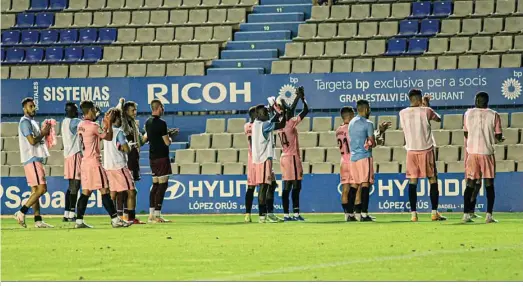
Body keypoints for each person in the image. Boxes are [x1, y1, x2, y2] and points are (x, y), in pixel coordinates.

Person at [75, 102, 129, 228]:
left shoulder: (81, 125)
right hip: (94, 163)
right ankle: (115, 220)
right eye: (94, 109)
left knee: (86, 192)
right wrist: (109, 124)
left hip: (84, 163)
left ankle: (79, 221)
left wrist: (104, 125)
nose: (95, 111)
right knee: (105, 190)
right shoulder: (93, 126)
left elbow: (95, 137)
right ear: (89, 110)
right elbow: (109, 137)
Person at [399, 89, 446, 222]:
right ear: (420, 99)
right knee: (432, 179)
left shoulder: (402, 113)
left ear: (410, 99)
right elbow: (438, 119)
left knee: (413, 182)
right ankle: (434, 213)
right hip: (426, 149)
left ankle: (413, 215)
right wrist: (427, 104)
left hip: (411, 150)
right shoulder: (426, 110)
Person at [462, 92, 503, 223]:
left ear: (476, 101)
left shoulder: (468, 114)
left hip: (472, 152)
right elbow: (498, 135)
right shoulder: (494, 114)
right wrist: (499, 139)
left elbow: (466, 133)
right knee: (489, 184)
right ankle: (489, 216)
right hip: (487, 152)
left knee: (470, 183)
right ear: (487, 102)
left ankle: (466, 215)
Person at [13, 97, 54, 228]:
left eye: (34, 106)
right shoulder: (25, 122)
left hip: (33, 159)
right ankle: (21, 212)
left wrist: (45, 134)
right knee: (42, 189)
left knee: (35, 190)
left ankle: (37, 220)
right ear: (24, 109)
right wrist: (43, 133)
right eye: (30, 106)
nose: (33, 108)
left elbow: (38, 139)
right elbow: (32, 141)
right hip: (32, 158)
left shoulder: (32, 121)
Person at [277, 87, 308, 221]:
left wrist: (297, 98)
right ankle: (295, 213)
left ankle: (286, 214)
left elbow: (290, 110)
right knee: (296, 185)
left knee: (287, 186)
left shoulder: (278, 125)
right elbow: (305, 110)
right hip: (292, 158)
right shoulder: (290, 124)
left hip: (284, 157)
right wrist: (301, 98)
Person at [103, 108, 140, 224]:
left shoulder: (105, 131)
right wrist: (129, 145)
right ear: (117, 119)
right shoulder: (119, 132)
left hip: (108, 166)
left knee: (113, 193)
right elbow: (126, 149)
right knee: (131, 191)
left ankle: (115, 218)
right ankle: (131, 218)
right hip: (119, 165)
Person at [145, 99, 178, 223]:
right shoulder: (162, 123)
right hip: (162, 157)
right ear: (159, 108)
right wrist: (170, 137)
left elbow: (152, 137)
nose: (163, 110)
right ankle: (157, 215)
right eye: (162, 108)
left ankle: (151, 214)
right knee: (163, 185)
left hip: (152, 157)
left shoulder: (148, 122)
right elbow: (166, 142)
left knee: (155, 185)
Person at [252, 104, 286, 223]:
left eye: (267, 112)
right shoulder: (264, 125)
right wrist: (283, 113)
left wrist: (276, 113)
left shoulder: (257, 123)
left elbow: (271, 121)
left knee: (272, 185)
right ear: (258, 114)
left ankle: (270, 213)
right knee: (264, 187)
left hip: (264, 159)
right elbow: (282, 124)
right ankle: (262, 215)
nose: (267, 115)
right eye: (265, 113)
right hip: (263, 159)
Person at [116, 98, 146, 224]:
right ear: (126, 111)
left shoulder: (134, 124)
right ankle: (124, 216)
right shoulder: (123, 123)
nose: (135, 112)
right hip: (125, 159)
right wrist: (121, 103)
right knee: (125, 190)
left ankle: (127, 216)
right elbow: (118, 112)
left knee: (128, 189)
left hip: (134, 157)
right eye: (132, 110)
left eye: (136, 110)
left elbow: (141, 142)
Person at [61, 102, 82, 222]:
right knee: (75, 185)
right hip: (74, 154)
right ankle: (72, 213)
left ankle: (66, 213)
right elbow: (86, 123)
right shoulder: (75, 122)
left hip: (68, 155)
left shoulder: (64, 122)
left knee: (70, 186)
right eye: (75, 109)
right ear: (71, 111)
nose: (77, 111)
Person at [336, 106, 358, 222]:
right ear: (349, 116)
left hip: (343, 161)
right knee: (355, 187)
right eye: (353, 114)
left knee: (345, 189)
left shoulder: (338, 130)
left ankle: (346, 215)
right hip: (352, 160)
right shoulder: (352, 128)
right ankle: (353, 213)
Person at [244, 106, 257, 223]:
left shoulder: (259, 125)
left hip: (260, 159)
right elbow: (252, 143)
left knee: (270, 185)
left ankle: (268, 213)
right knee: (251, 187)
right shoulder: (249, 126)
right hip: (254, 160)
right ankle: (247, 213)